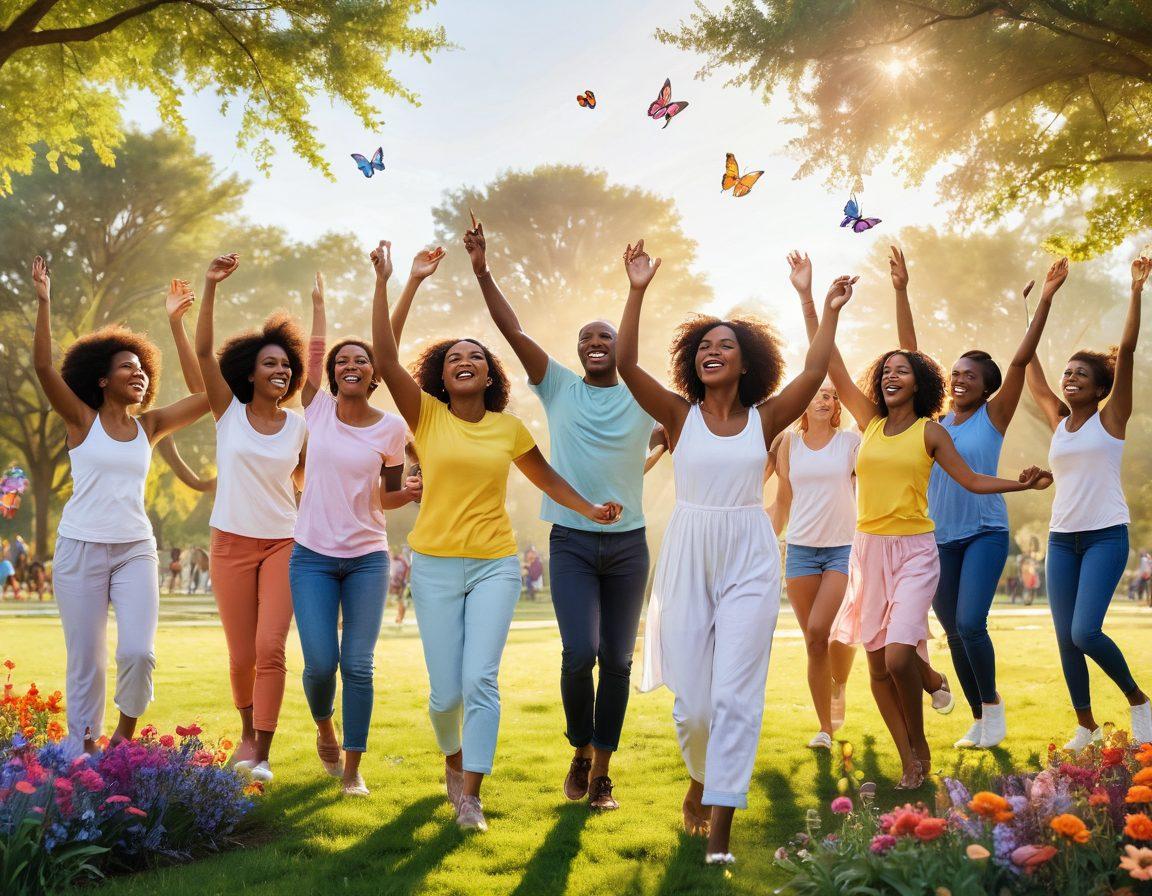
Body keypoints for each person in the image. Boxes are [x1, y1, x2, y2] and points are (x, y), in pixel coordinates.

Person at [371, 236, 622, 833]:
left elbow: (548, 479)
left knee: (480, 678)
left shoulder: (508, 428)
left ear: (489, 376)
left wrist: (590, 507)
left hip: (494, 565)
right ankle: (453, 767)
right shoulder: (424, 416)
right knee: (443, 696)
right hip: (432, 565)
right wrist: (400, 281)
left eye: (476, 357)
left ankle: (471, 795)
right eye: (455, 355)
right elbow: (384, 357)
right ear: (442, 372)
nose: (466, 360)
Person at [621, 238, 852, 865]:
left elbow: (815, 371)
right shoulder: (677, 414)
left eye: (725, 344)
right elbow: (624, 363)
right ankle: (700, 776)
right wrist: (637, 289)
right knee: (694, 705)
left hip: (749, 552)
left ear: (746, 361)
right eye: (703, 346)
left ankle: (720, 830)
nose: (712, 352)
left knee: (734, 696)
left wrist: (817, 304)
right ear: (692, 365)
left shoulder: (766, 418)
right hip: (690, 550)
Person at [814, 259, 1053, 791]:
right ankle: (912, 752)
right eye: (888, 370)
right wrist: (817, 303)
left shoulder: (938, 429)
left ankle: (943, 723)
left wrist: (1021, 483)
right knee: (879, 666)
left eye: (905, 371)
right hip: (870, 549)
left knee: (906, 650)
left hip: (923, 546)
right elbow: (834, 363)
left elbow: (971, 479)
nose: (893, 375)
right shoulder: (876, 421)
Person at [469, 221, 660, 811]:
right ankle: (579, 749)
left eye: (605, 336)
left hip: (629, 547)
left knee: (618, 660)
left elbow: (678, 425)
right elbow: (512, 328)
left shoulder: (639, 393)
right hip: (573, 543)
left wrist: (635, 291)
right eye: (586, 337)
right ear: (578, 351)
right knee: (580, 652)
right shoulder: (557, 388)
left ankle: (601, 771)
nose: (596, 342)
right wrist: (482, 270)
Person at [887, 247, 1068, 750]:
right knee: (952, 628)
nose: (959, 378)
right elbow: (910, 352)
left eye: (970, 374)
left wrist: (1045, 299)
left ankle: (992, 706)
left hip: (985, 532)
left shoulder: (995, 415)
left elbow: (1021, 357)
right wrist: (902, 289)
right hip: (938, 538)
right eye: (956, 373)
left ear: (988, 387)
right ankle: (979, 717)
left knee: (970, 622)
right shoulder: (932, 424)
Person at [32, 257, 209, 755]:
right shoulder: (80, 419)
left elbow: (205, 394)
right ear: (102, 379)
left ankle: (121, 745)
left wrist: (176, 323)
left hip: (135, 548)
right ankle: (83, 751)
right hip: (80, 549)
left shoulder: (149, 428)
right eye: (125, 367)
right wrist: (44, 300)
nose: (137, 373)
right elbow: (44, 367)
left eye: (141, 368)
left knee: (138, 651)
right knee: (86, 659)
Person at [291, 260, 425, 798]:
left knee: (359, 664)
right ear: (334, 373)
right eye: (343, 361)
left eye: (362, 361)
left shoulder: (392, 428)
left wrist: (410, 492)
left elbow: (385, 496)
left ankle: (352, 769)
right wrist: (320, 310)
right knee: (321, 662)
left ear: (373, 374)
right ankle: (324, 727)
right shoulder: (316, 409)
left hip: (368, 556)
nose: (352, 365)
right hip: (312, 557)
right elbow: (311, 358)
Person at [1025, 254, 1152, 750]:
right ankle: (1087, 726)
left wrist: (1137, 289)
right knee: (1065, 640)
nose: (1069, 377)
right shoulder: (1059, 420)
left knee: (1084, 632)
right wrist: (1040, 303)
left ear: (1101, 387)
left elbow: (1126, 347)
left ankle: (1140, 701)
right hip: (1062, 541)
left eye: (1081, 373)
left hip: (1104, 536)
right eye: (1068, 372)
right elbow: (1029, 367)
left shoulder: (1111, 417)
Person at [194, 251, 309, 784]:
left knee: (270, 648)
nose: (280, 370)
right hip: (231, 544)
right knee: (241, 655)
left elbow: (310, 481)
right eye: (270, 363)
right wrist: (211, 286)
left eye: (287, 365)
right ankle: (245, 732)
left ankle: (261, 750)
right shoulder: (228, 414)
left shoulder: (299, 426)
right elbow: (200, 352)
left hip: (284, 542)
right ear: (249, 372)